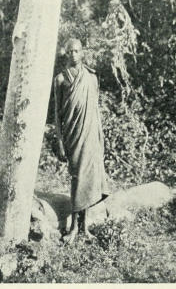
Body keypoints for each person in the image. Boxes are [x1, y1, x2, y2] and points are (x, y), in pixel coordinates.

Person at [54, 38, 111, 243]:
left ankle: (84, 227)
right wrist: (59, 140)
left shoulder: (91, 78)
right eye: (70, 51)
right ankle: (73, 228)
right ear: (65, 54)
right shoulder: (60, 79)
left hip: (90, 133)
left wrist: (100, 136)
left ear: (82, 52)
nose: (73, 54)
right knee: (77, 177)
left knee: (88, 178)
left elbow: (95, 110)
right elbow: (57, 114)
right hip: (72, 134)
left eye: (77, 51)